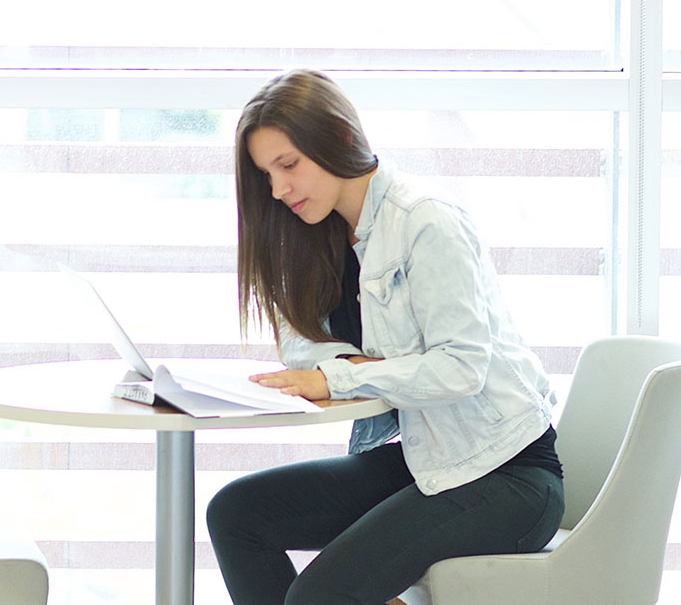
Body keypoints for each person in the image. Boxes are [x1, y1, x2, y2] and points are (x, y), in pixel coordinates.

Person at [205, 69, 565, 605]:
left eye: (289, 165)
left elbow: (461, 367)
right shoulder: (319, 230)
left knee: (317, 596)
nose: (279, 190)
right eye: (267, 174)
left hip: (505, 474)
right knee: (236, 514)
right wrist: (342, 364)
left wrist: (342, 374)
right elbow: (298, 338)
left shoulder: (425, 221)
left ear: (340, 138)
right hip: (424, 457)